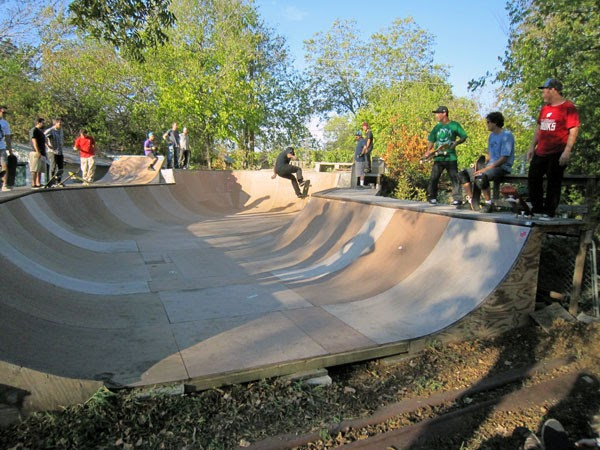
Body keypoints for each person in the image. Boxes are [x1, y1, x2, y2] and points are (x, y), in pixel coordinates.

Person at [527, 78, 579, 217]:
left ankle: (549, 211)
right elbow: (539, 128)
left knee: (553, 182)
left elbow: (573, 130)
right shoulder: (545, 108)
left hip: (557, 151)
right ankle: (537, 208)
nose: (542, 94)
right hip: (541, 150)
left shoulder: (568, 107)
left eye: (544, 90)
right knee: (533, 178)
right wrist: (532, 146)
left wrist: (567, 151)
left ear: (553, 90)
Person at [458, 111, 515, 212]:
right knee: (463, 174)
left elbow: (504, 158)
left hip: (502, 167)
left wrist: (486, 168)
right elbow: (491, 155)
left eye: (488, 122)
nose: (487, 124)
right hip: (490, 166)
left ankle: (489, 204)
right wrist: (480, 162)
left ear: (495, 122)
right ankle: (472, 201)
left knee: (481, 177)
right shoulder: (491, 136)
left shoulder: (507, 135)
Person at [422, 106, 467, 205]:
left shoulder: (454, 125)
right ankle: (432, 197)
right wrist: (428, 151)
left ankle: (457, 199)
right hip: (439, 156)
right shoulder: (437, 127)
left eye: (438, 113)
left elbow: (464, 136)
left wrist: (456, 143)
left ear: (444, 113)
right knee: (434, 177)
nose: (436, 116)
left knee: (454, 177)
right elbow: (431, 140)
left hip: (450, 156)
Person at [44, 118, 64, 186]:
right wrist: (47, 145)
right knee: (53, 167)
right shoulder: (51, 130)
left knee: (60, 168)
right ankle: (51, 181)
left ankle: (58, 181)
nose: (61, 124)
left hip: (60, 151)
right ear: (55, 123)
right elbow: (43, 137)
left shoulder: (61, 130)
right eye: (59, 123)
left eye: (61, 123)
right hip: (52, 151)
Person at [29, 117, 46, 189]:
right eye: (42, 122)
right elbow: (34, 141)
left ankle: (38, 183)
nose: (43, 124)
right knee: (35, 169)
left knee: (40, 169)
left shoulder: (41, 131)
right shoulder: (34, 130)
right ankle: (33, 183)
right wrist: (37, 151)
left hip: (42, 152)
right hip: (35, 152)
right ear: (38, 123)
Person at [0, 105, 13, 191]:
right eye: (2, 112)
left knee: (4, 165)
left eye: (4, 113)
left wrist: (10, 149)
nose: (3, 114)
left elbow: (7, 137)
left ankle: (4, 184)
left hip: (1, 146)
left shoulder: (5, 123)